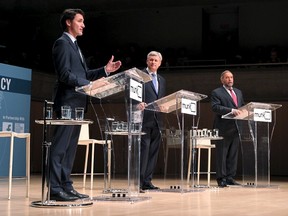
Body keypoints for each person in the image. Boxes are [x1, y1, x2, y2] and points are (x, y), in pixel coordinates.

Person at [50, 8, 121, 201]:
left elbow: (84, 75)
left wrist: (104, 71)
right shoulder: (62, 43)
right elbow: (64, 75)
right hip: (67, 103)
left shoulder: (74, 46)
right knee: (60, 148)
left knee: (70, 148)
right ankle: (55, 189)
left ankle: (66, 186)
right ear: (68, 22)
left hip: (78, 104)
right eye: (80, 21)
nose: (83, 25)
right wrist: (90, 84)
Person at [211, 70, 244, 187]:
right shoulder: (217, 92)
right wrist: (230, 110)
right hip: (223, 127)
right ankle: (221, 179)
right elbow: (215, 107)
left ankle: (230, 177)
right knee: (222, 154)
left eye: (231, 77)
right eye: (227, 77)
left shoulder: (238, 92)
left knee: (233, 154)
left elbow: (241, 107)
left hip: (236, 127)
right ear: (222, 80)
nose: (230, 79)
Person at [138, 51, 166, 191]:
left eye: (156, 60)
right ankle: (139, 181)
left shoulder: (162, 79)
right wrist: (137, 103)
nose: (153, 62)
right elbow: (132, 93)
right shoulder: (140, 76)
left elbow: (161, 98)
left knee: (153, 152)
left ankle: (148, 181)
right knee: (143, 151)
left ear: (160, 63)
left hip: (157, 120)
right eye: (151, 60)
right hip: (144, 119)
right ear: (147, 61)